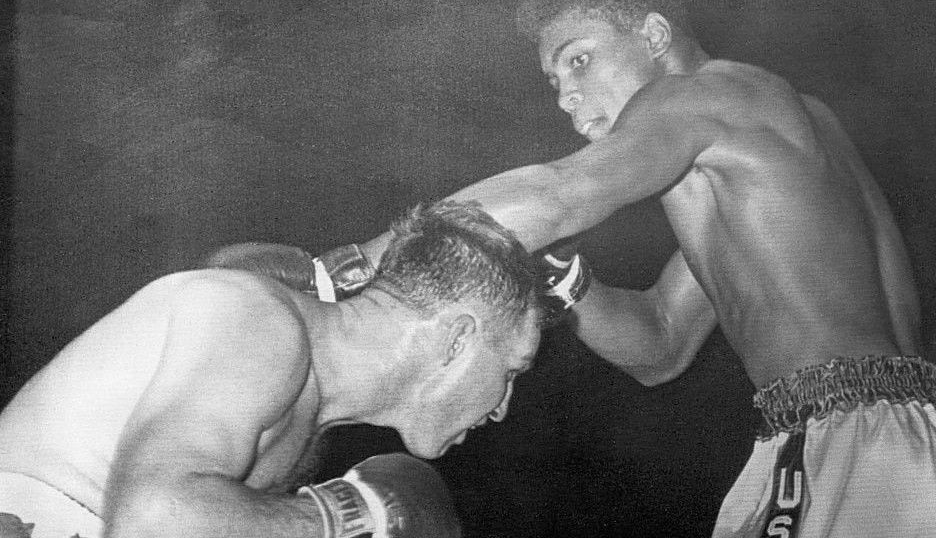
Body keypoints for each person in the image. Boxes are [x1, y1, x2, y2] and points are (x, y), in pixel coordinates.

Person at [346, 0, 936, 536]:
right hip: (917, 445)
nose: (567, 94)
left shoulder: (705, 94)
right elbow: (660, 344)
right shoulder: (766, 156)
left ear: (655, 37)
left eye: (579, 59)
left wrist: (357, 268)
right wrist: (569, 282)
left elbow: (560, 192)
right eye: (554, 82)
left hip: (849, 445)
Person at [0, 200, 541, 538]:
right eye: (512, 371)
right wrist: (362, 513)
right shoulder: (259, 320)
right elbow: (152, 521)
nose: (502, 408)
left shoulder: (310, 423)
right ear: (459, 339)